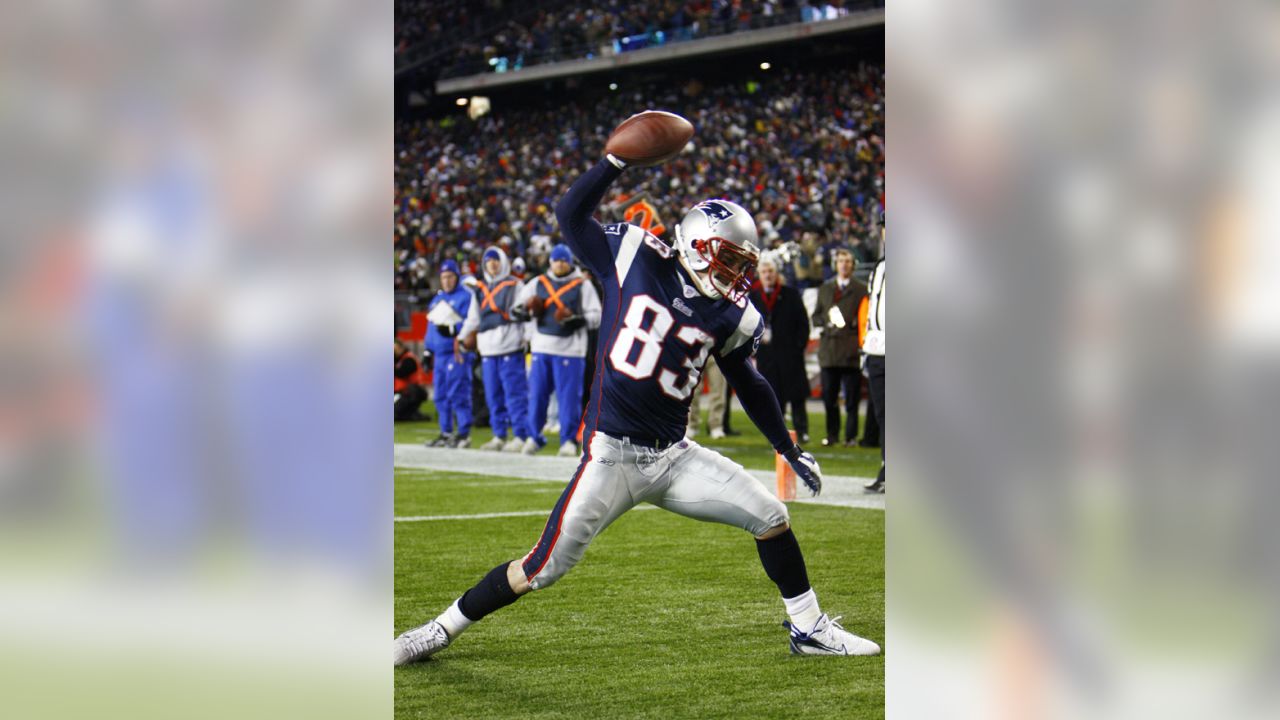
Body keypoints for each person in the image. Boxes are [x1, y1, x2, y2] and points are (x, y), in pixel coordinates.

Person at [395, 141, 880, 665]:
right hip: (611, 456)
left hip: (674, 456)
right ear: (698, 246)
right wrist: (615, 163)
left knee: (770, 514)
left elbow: (748, 379)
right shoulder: (633, 255)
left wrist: (786, 445)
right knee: (541, 567)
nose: (738, 274)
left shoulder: (732, 314)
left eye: (745, 263)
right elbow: (569, 213)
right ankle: (440, 628)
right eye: (731, 258)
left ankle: (808, 628)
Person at [516, 243, 602, 456]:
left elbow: (597, 315)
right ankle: (533, 436)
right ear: (551, 262)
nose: (560, 264)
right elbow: (517, 309)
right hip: (541, 347)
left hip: (570, 350)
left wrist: (578, 320)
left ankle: (568, 440)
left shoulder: (583, 285)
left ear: (570, 262)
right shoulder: (537, 283)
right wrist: (524, 312)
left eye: (564, 260)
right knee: (536, 396)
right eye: (557, 260)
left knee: (568, 399)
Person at [460, 246, 534, 452]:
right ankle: (499, 435)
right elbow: (473, 318)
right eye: (488, 261)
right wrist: (460, 337)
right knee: (492, 395)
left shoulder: (516, 285)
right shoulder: (480, 289)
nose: (492, 264)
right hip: (487, 350)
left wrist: (527, 337)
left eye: (495, 260)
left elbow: (524, 312)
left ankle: (521, 434)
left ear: (503, 262)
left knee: (515, 394)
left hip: (510, 346)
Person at [749, 255, 811, 443]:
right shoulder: (753, 297)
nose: (767, 275)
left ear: (776, 274)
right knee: (774, 397)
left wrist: (798, 347)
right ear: (759, 274)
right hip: (767, 355)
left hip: (790, 354)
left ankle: (802, 431)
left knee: (797, 396)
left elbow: (803, 324)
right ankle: (779, 434)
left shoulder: (790, 294)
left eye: (770, 272)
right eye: (764, 272)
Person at [811, 247, 866, 447]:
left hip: (850, 351)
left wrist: (852, 326)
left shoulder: (861, 289)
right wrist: (825, 323)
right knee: (829, 399)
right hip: (830, 351)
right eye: (841, 261)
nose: (844, 265)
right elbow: (816, 315)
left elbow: (865, 316)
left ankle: (850, 437)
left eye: (848, 261)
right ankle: (832, 435)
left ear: (853, 265)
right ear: (836, 264)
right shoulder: (825, 288)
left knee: (852, 400)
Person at [423, 260, 474, 447]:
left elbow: (472, 323)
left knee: (458, 392)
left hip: (456, 352)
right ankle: (446, 432)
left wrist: (455, 330)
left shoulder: (465, 297)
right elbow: (430, 328)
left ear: (457, 277)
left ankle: (463, 433)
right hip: (440, 355)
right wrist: (428, 350)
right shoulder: (437, 300)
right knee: (440, 395)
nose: (446, 281)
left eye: (450, 276)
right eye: (443, 277)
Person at [862, 218, 885, 493]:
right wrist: (865, 349)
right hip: (876, 349)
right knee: (882, 415)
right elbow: (871, 311)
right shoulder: (879, 267)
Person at [394, 339, 429, 422]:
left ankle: (413, 415)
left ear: (400, 347)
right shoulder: (399, 359)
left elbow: (401, 373)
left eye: (395, 349)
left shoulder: (409, 359)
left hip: (412, 392)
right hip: (402, 392)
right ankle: (412, 414)